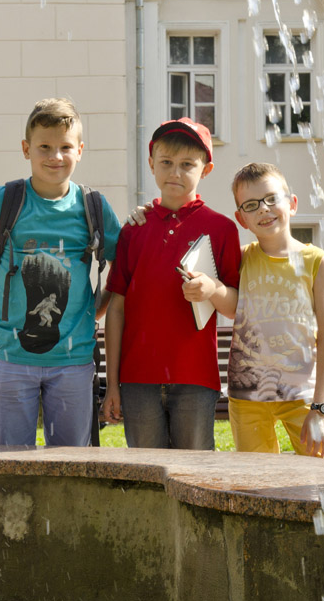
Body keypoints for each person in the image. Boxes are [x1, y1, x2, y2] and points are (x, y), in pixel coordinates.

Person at [0, 98, 122, 447]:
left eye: (66, 147)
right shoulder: (5, 201)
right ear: (26, 149)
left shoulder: (93, 207)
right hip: (10, 360)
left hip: (73, 361)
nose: (55, 156)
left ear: (80, 151)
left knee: (71, 469)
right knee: (9, 467)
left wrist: (97, 310)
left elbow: (124, 269)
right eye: (44, 147)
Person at [100, 118, 241, 450]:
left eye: (187, 164)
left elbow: (236, 307)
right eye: (166, 162)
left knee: (195, 472)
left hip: (195, 377)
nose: (175, 172)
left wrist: (213, 289)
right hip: (137, 378)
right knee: (147, 471)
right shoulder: (133, 230)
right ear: (151, 164)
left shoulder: (221, 229)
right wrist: (112, 384)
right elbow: (116, 309)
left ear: (206, 169)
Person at [226, 162, 324, 470]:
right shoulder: (240, 259)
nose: (263, 209)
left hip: (302, 396)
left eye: (271, 199)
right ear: (241, 218)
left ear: (292, 203)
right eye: (251, 205)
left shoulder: (316, 262)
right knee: (258, 487)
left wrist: (321, 407)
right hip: (247, 398)